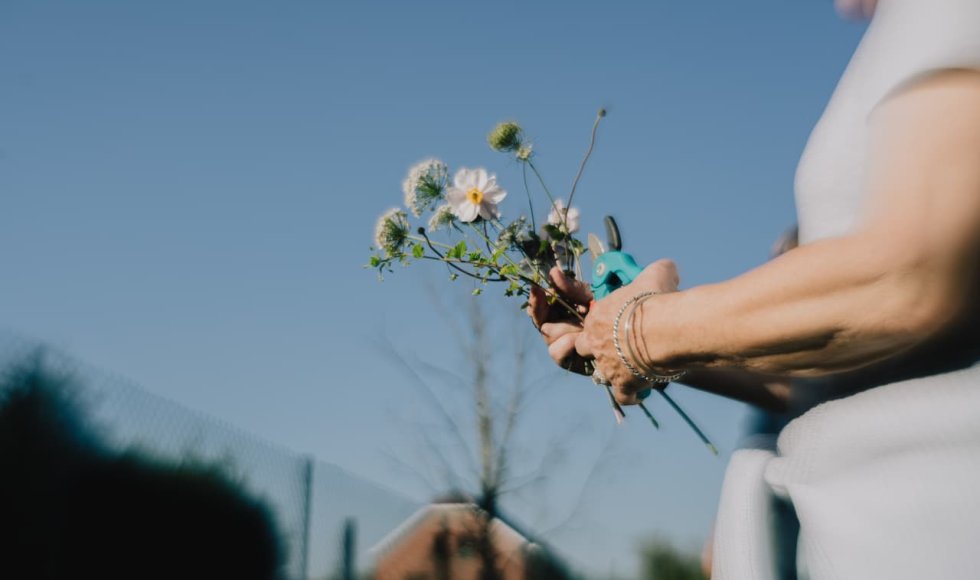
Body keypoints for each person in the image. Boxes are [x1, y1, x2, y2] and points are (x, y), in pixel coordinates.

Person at [529, 1, 980, 578]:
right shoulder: (896, 36)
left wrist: (642, 332)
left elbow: (910, 273)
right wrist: (623, 336)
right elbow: (833, 366)